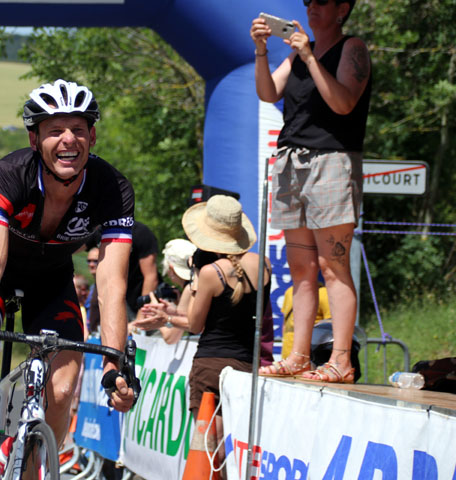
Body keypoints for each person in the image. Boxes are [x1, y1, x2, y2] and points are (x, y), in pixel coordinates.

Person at [0, 79, 137, 479]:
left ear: (93, 135)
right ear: (35, 140)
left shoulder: (112, 188)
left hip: (51, 281)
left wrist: (114, 366)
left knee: (64, 389)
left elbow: (112, 284)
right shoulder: (9, 174)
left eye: (79, 129)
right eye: (55, 131)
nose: (69, 140)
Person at [250, 0, 371, 383]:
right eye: (310, 2)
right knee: (301, 269)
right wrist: (261, 50)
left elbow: (343, 102)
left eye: (322, 2)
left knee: (332, 266)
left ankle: (340, 360)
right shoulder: (300, 52)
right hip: (289, 162)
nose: (313, 7)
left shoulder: (352, 48)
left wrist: (310, 56)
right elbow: (268, 94)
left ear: (342, 9)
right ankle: (298, 355)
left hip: (332, 160)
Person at [181, 195, 272, 474]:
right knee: (238, 446)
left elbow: (195, 325)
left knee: (208, 450)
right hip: (246, 365)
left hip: (210, 365)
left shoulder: (211, 273)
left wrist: (194, 284)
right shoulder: (265, 265)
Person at [131, 238, 197, 344]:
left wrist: (157, 315)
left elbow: (170, 338)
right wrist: (176, 310)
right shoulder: (197, 284)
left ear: (171, 268)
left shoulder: (190, 289)